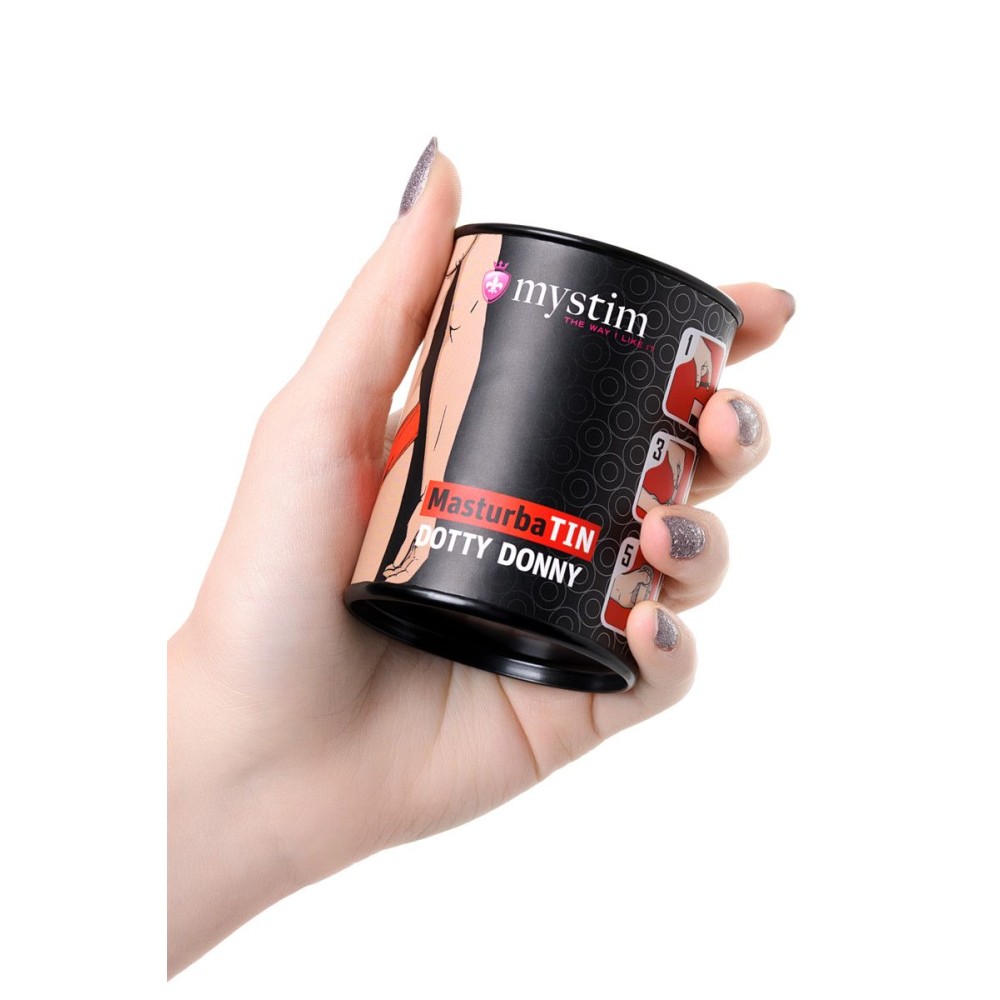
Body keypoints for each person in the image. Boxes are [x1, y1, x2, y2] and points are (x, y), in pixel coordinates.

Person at [167, 137, 795, 977]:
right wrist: (238, 731)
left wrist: (266, 784)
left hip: (549, 630)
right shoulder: (476, 291)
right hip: (409, 590)